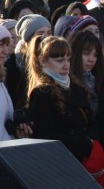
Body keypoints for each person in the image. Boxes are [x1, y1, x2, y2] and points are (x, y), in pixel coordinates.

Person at [26, 36, 98, 164]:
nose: (66, 65)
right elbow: (45, 136)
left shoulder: (77, 88)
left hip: (84, 160)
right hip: (59, 163)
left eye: (68, 59)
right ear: (42, 60)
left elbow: (91, 122)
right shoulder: (42, 93)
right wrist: (85, 143)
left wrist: (91, 142)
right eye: (59, 60)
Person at [6, 14, 52, 108]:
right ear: (28, 39)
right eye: (40, 33)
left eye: (49, 32)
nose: (46, 37)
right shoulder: (11, 65)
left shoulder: (52, 61)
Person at [70, 29, 103, 127]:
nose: (91, 59)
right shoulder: (66, 83)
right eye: (86, 53)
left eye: (95, 55)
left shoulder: (97, 81)